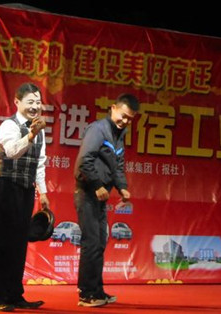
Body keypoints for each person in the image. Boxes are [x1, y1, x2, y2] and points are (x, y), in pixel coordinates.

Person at [0, 82, 51, 312]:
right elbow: (12, 152)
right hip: (5, 187)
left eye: (38, 102)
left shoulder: (40, 131)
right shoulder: (8, 126)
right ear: (17, 102)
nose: (35, 107)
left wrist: (43, 192)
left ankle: (14, 295)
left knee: (18, 244)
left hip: (26, 190)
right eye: (30, 102)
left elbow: (39, 163)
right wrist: (31, 134)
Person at [73, 93, 140, 307]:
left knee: (100, 242)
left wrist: (122, 187)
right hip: (87, 193)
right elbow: (84, 161)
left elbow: (117, 166)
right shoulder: (98, 129)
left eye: (130, 118)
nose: (125, 121)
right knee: (92, 243)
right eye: (123, 116)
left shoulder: (119, 134)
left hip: (101, 197)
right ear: (113, 108)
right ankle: (86, 293)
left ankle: (97, 290)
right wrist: (97, 185)